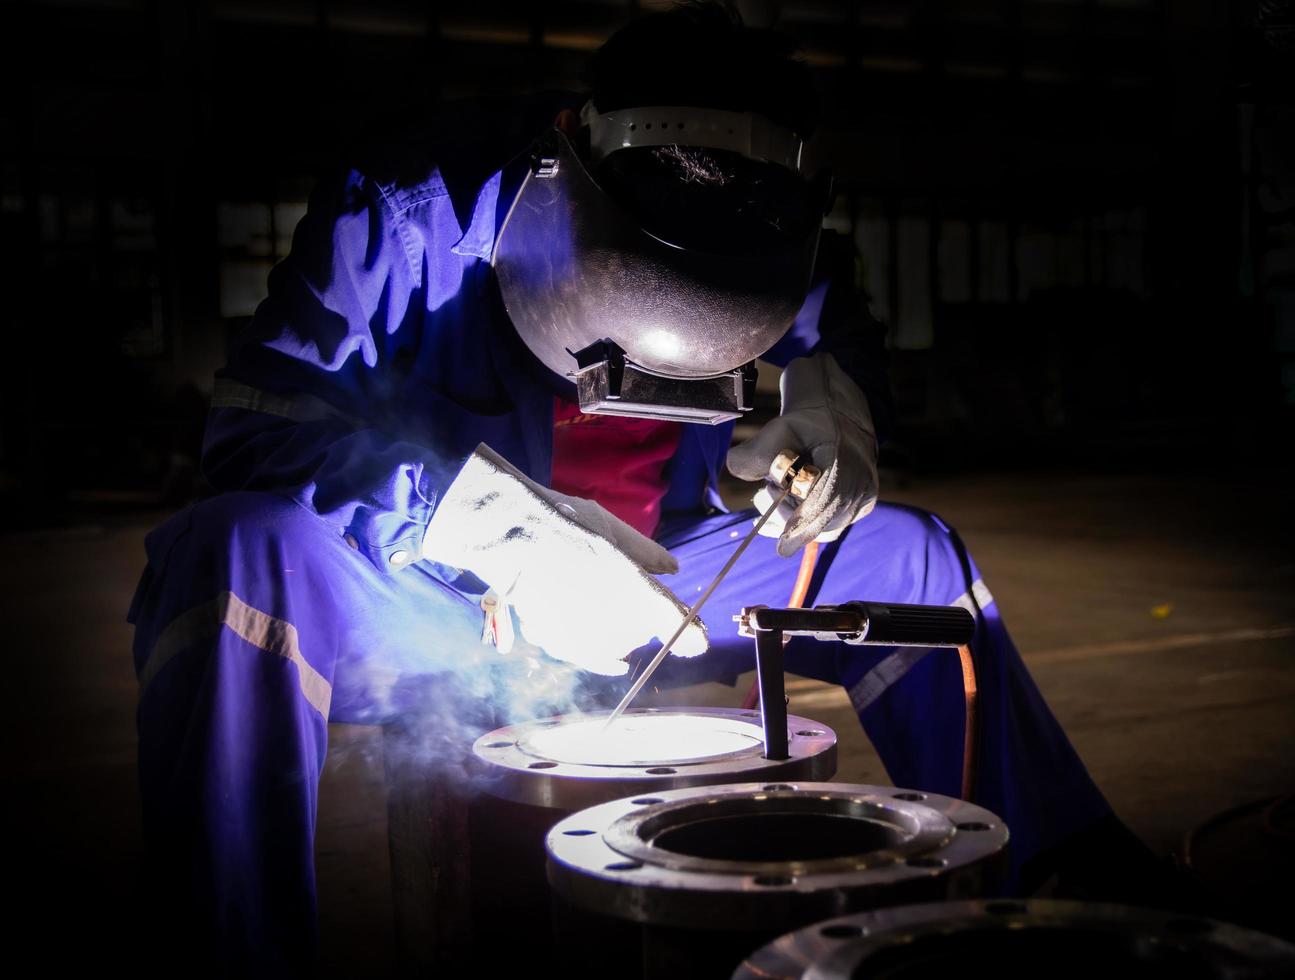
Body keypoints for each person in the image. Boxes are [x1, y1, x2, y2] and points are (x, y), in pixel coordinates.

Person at [128, 5, 1134, 973]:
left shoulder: (770, 216)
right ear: (572, 151)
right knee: (234, 556)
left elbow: (840, 339)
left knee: (915, 556)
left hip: (668, 586)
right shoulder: (412, 203)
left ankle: (1060, 878)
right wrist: (491, 531)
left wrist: (838, 413)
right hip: (444, 593)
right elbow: (257, 425)